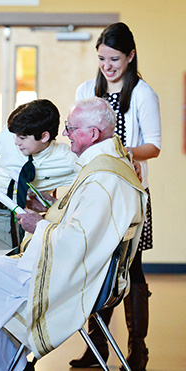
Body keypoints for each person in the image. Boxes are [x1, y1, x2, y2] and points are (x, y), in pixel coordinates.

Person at [0, 97, 147, 371]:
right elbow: (85, 227)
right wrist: (48, 211)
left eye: (70, 128)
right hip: (84, 270)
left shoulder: (105, 178)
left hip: (74, 277)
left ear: (92, 134)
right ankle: (9, 362)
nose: (65, 134)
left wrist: (37, 226)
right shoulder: (107, 166)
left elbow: (78, 243)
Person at [71, 22, 161, 371]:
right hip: (96, 192)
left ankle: (137, 348)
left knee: (131, 267)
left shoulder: (141, 93)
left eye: (114, 59)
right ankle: (97, 347)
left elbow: (153, 146)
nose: (107, 66)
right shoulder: (86, 89)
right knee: (98, 265)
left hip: (129, 193)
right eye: (102, 59)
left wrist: (120, 153)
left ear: (130, 56)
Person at [0, 99, 77, 251]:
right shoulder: (10, 135)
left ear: (44, 136)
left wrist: (53, 203)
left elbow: (92, 180)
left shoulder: (67, 160)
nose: (16, 142)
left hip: (4, 213)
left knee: (2, 258)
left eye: (23, 138)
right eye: (15, 136)